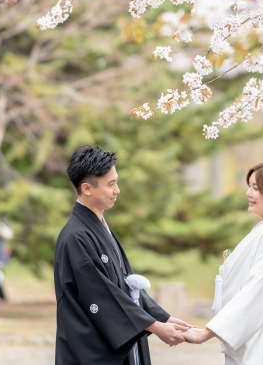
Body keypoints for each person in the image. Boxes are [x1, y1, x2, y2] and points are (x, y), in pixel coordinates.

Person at [53, 145, 192, 365]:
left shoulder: (98, 227)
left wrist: (163, 318)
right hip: (89, 349)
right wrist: (155, 326)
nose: (117, 190)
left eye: (116, 182)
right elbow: (101, 295)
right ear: (87, 188)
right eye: (111, 184)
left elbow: (125, 285)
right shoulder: (75, 236)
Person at [183, 158, 263, 365]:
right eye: (249, 187)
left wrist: (205, 334)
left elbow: (258, 292)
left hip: (261, 346)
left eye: (256, 188)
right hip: (252, 341)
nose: (248, 193)